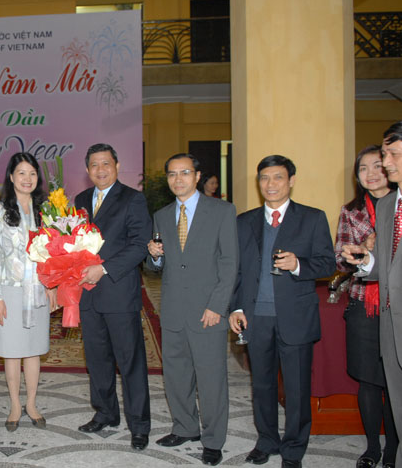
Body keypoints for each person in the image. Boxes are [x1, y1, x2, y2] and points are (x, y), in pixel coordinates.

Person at [230, 155, 335, 468]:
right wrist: (236, 307)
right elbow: (237, 270)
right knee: (261, 385)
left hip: (295, 316)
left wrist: (299, 264)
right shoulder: (244, 221)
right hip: (256, 317)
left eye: (277, 177)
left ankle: (293, 449)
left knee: (296, 388)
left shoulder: (312, 218)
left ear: (291, 181)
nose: (270, 184)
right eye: (264, 178)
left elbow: (327, 264)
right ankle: (266, 441)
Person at [147, 153, 238, 466]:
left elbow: (230, 262)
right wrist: (154, 255)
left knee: (211, 380)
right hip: (173, 309)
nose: (178, 179)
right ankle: (185, 427)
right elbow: (157, 266)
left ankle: (213, 440)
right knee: (176, 375)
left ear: (197, 176)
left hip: (208, 310)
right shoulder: (162, 215)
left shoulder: (222, 211)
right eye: (172, 174)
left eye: (184, 172)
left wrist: (217, 306)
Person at [73, 143, 152, 451]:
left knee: (130, 361)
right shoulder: (81, 200)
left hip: (119, 292)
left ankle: (139, 425)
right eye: (94, 165)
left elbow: (140, 245)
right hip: (87, 294)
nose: (100, 169)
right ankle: (105, 413)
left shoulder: (133, 199)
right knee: (97, 359)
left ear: (117, 165)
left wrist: (103, 269)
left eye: (106, 163)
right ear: (87, 170)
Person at [343, 121, 402, 468]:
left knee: (395, 386)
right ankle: (373, 448)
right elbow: (344, 260)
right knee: (374, 381)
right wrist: (365, 255)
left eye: (381, 161)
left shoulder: (393, 205)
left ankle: (393, 449)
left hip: (393, 306)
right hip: (367, 305)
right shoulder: (365, 209)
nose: (374, 171)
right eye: (363, 168)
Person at [0, 153, 57, 431]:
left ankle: (32, 403)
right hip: (10, 291)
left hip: (38, 289)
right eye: (22, 173)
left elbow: (54, 253)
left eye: (33, 173)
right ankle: (15, 404)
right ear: (11, 177)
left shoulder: (47, 210)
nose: (27, 179)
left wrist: (52, 285)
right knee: (12, 350)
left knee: (34, 350)